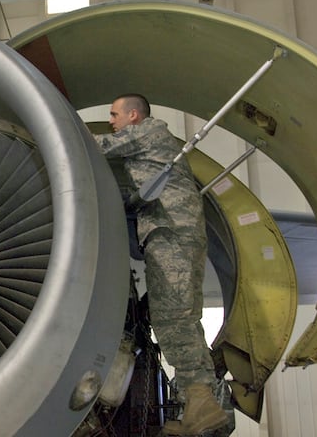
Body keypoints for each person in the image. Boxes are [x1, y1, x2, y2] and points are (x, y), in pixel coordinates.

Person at [94, 94, 227, 435]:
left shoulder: (147, 132)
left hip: (171, 231)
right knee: (178, 318)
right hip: (172, 231)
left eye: (114, 114)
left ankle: (203, 403)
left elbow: (96, 146)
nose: (111, 120)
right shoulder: (152, 142)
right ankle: (197, 406)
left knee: (174, 317)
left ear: (133, 115)